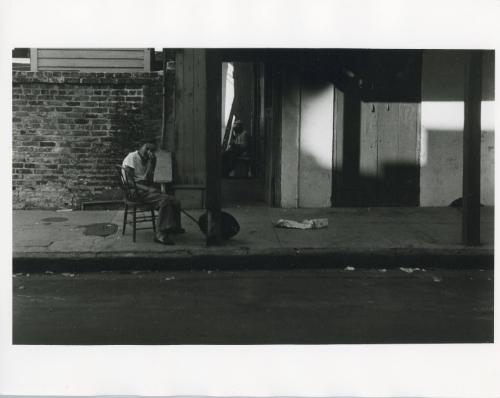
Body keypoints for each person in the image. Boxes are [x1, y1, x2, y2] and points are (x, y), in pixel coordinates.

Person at [122, 139, 183, 245]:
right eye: (148, 148)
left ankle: (173, 227)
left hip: (143, 189)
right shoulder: (132, 157)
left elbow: (148, 179)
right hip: (134, 192)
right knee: (165, 200)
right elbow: (129, 183)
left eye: (152, 150)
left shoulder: (147, 160)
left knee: (174, 200)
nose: (149, 151)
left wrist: (152, 163)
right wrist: (148, 189)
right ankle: (160, 235)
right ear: (143, 146)